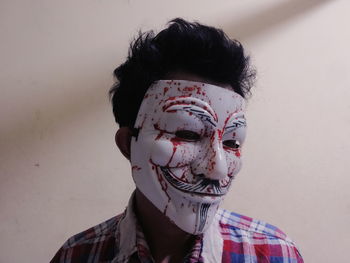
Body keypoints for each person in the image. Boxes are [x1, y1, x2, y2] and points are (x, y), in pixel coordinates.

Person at [51, 18, 303, 263]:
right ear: (128, 144)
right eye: (187, 134)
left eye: (231, 142)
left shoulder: (273, 254)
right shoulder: (77, 255)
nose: (217, 170)